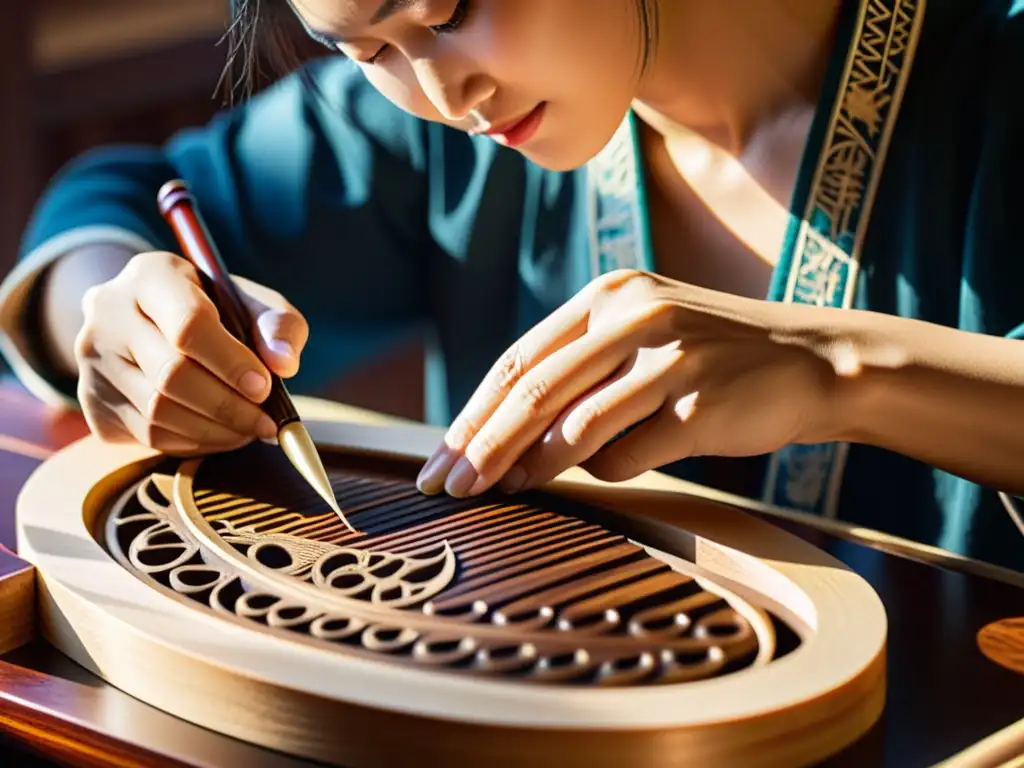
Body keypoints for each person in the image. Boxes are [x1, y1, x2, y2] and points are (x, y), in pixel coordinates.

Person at [1, 0, 1022, 570]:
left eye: (451, 9)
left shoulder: (995, 76)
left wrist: (844, 368)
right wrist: (123, 311)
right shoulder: (436, 125)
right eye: (368, 50)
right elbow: (122, 197)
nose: (442, 94)